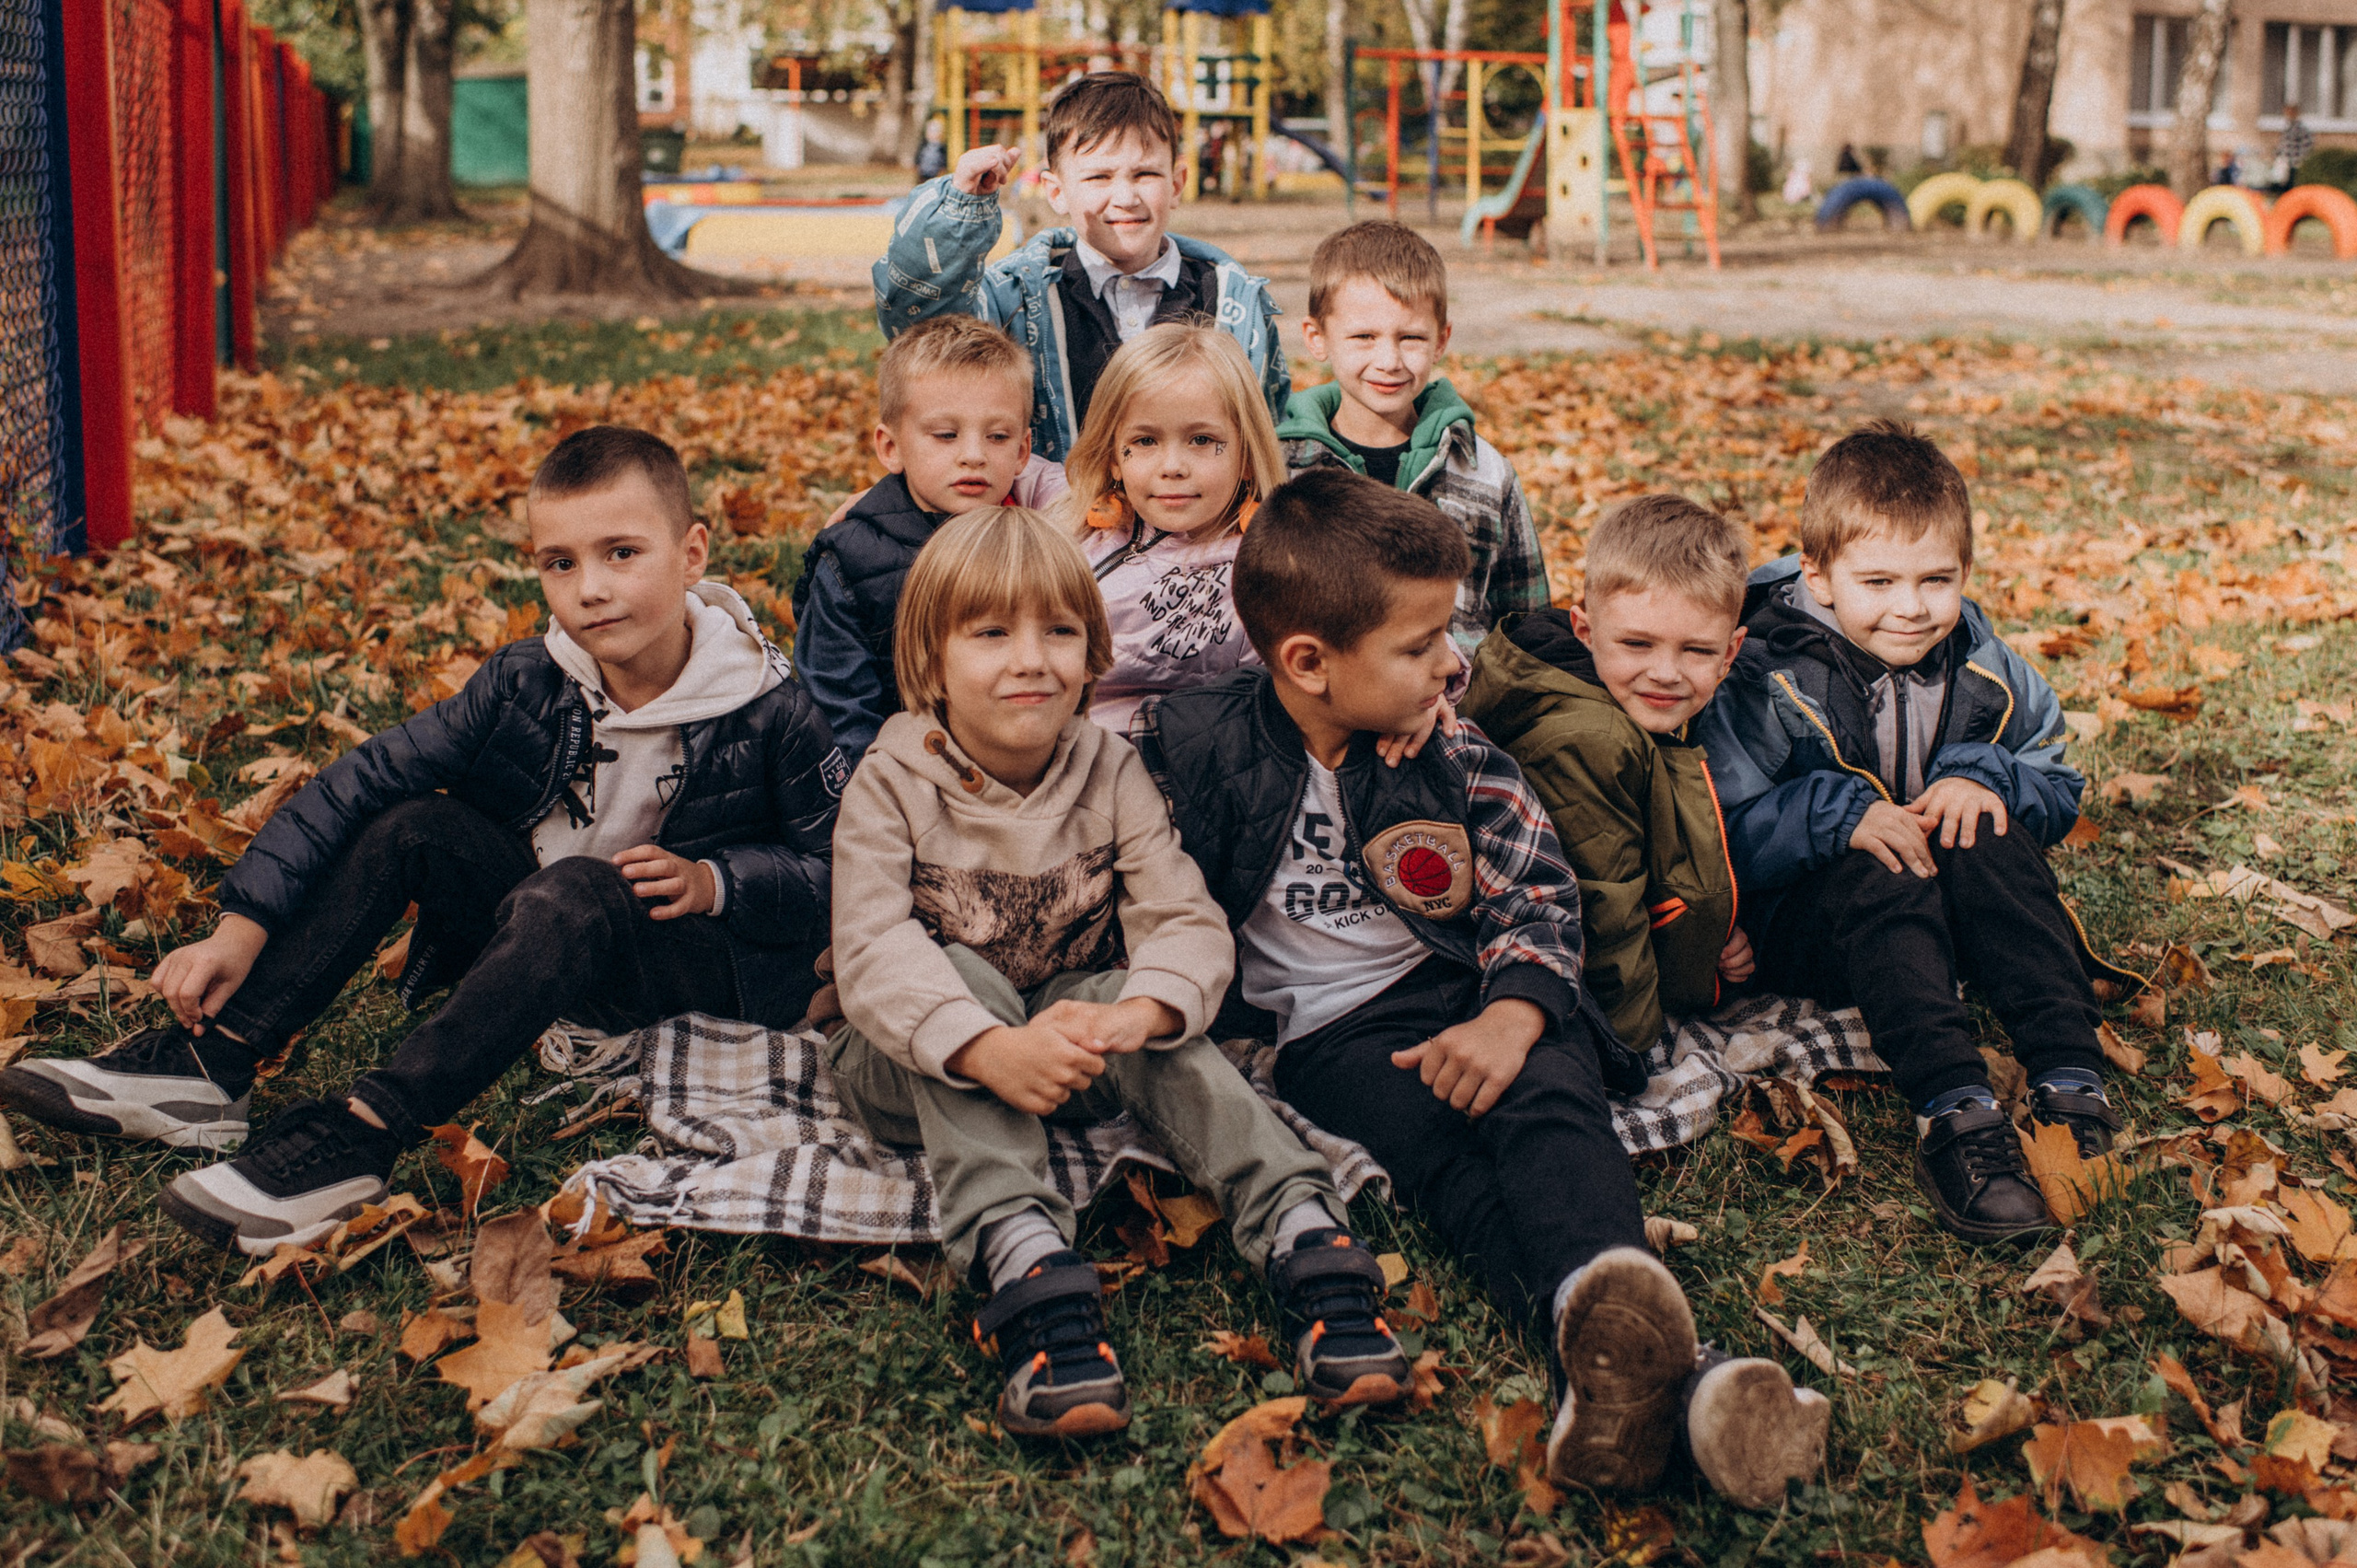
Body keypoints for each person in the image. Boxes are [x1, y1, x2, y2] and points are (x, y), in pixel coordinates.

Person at [1132, 469, 1829, 1509]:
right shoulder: (1191, 750)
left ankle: (1622, 1343)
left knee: (1548, 1100)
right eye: (1418, 646)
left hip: (1467, 979)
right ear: (1309, 663)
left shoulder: (1447, 747)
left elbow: (1536, 887)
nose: (1450, 663)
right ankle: (1687, 1382)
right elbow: (1146, 894)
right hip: (1335, 1036)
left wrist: (1512, 1010)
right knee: (1451, 1174)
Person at [0, 427, 843, 1254]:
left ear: (692, 553)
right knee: (414, 825)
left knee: (576, 888)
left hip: (696, 970)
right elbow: (360, 779)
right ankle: (212, 1062)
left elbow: (835, 869)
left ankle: (359, 1136)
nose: (589, 589)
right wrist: (240, 924)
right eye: (561, 562)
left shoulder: (771, 709)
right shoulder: (526, 681)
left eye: (622, 553)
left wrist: (717, 878)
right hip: (541, 941)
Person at [823, 505, 1410, 1439]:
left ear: (1095, 653)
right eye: (991, 633)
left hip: (1069, 1045)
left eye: (1059, 630)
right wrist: (982, 1046)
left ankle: (1301, 1226)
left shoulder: (1109, 768)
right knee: (956, 971)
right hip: (909, 1062)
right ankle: (1026, 1261)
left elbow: (1180, 914)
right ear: (932, 663)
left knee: (1135, 1011)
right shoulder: (888, 781)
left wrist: (1147, 1006)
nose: (1031, 658)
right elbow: (871, 947)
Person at [1704, 419, 2141, 1244]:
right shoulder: (1765, 673)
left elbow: (2056, 775)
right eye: (1878, 580)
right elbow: (1725, 834)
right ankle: (1955, 1109)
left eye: (1935, 579)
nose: (1911, 607)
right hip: (1823, 919)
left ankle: (2068, 1070)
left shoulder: (1985, 663)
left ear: (1965, 573)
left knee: (1993, 828)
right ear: (1820, 575)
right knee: (1882, 866)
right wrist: (1836, 814)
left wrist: (1991, 776)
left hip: (1954, 908)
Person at [1459, 494, 1755, 1056]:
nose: (1665, 673)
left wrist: (1705, 937)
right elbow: (1602, 915)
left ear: (1730, 653)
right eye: (1637, 643)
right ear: (1585, 630)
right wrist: (1629, 1051)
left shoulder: (1640, 705)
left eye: (1696, 650)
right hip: (1576, 998)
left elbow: (1670, 856)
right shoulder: (1589, 742)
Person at [874, 71, 1287, 461]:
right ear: (1056, 191)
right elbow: (917, 324)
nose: (1125, 196)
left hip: (1199, 529)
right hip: (1057, 530)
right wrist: (957, 210)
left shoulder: (1234, 304)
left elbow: (1267, 432)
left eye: (1145, 174)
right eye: (1098, 178)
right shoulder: (1017, 300)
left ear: (1176, 184)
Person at [792, 313, 1066, 766]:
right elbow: (840, 711)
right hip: (899, 784)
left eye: (997, 436)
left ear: (1022, 452)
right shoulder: (851, 560)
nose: (974, 455)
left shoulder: (1045, 541)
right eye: (946, 435)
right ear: (890, 447)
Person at [1277, 221, 1550, 659]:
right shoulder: (1281, 471)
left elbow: (1529, 625)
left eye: (1411, 338)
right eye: (1364, 337)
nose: (1389, 361)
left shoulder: (1484, 471)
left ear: (1441, 340)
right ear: (1317, 338)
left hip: (1461, 708)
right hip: (1322, 707)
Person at [1060, 321, 1285, 733]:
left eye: (1201, 440)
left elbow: (1365, 615)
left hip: (1164, 767)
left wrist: (1436, 676)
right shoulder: (1072, 527)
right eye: (1145, 441)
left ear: (1247, 457)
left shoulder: (1269, 570)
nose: (1172, 468)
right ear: (1114, 456)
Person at [2275, 103, 2312, 192]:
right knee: (2282, 186)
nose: (2288, 115)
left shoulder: (2300, 128)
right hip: (2286, 163)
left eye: (2290, 112)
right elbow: (2284, 144)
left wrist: (2301, 160)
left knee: (2292, 186)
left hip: (2295, 163)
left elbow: (2307, 145)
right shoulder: (2288, 127)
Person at [916, 117, 948, 182]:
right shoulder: (924, 144)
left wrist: (943, 169)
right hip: (924, 170)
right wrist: (917, 164)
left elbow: (944, 159)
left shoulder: (941, 147)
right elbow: (919, 155)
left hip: (935, 171)